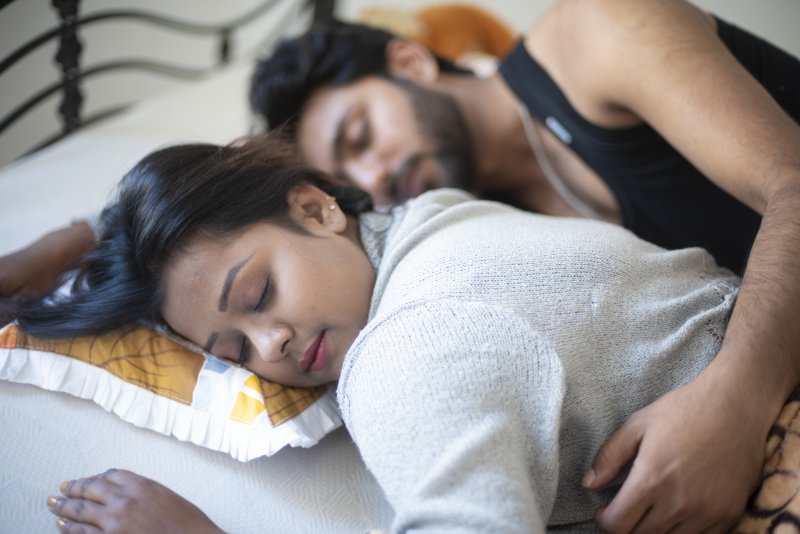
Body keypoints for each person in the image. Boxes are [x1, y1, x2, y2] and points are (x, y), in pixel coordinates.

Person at [4, 0, 800, 528]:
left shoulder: (599, 28)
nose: (375, 175)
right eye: (235, 349)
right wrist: (75, 240)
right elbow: (215, 216)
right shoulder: (457, 218)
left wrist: (733, 403)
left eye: (359, 133)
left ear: (413, 63)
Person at [28, 135, 743, 532]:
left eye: (258, 293)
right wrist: (72, 241)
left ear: (314, 208)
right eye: (234, 351)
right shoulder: (434, 214)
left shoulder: (404, 350)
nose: (270, 344)